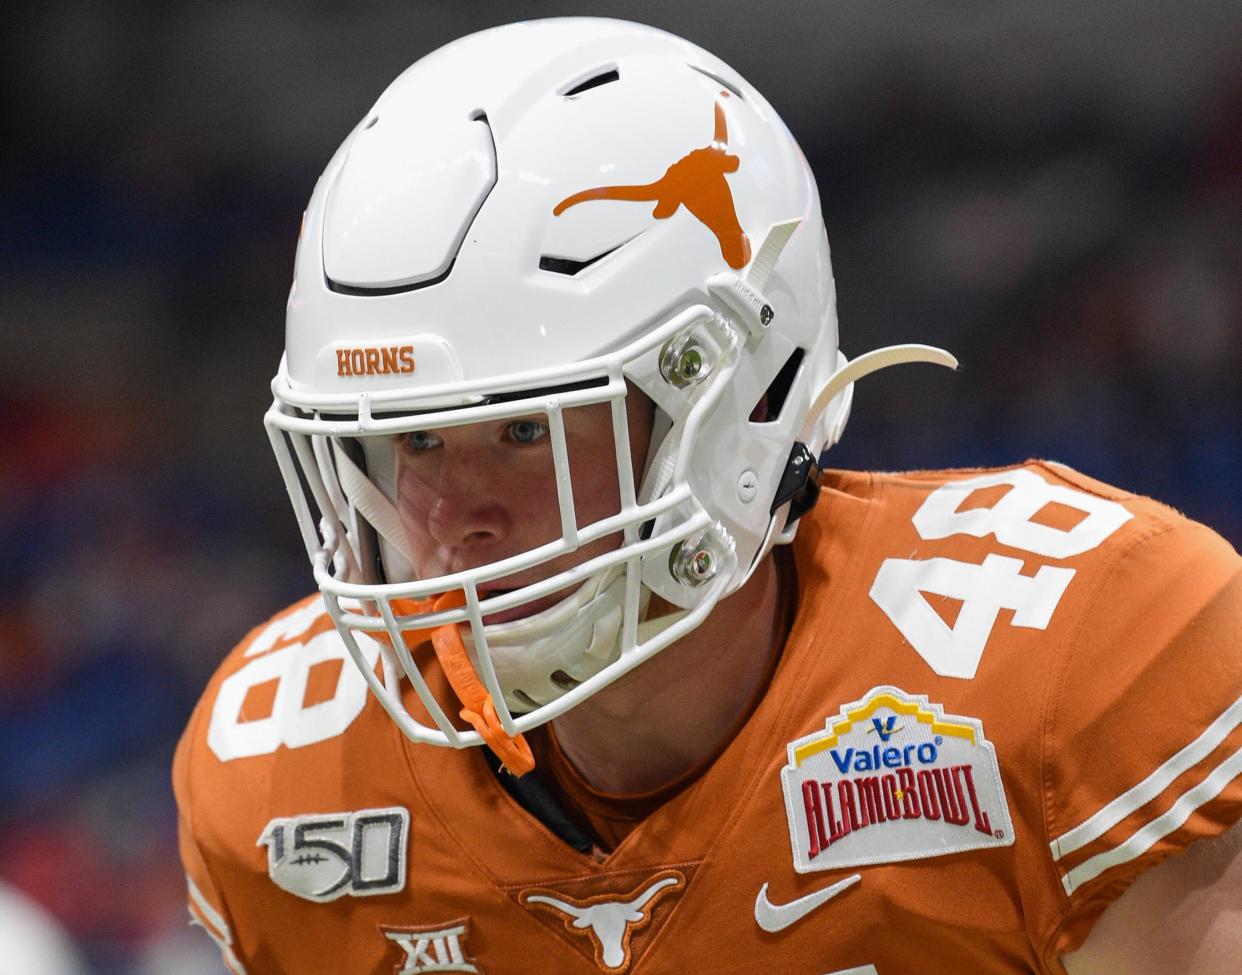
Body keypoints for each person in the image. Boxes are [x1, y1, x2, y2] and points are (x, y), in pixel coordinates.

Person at [173, 17, 1242, 975]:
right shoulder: (284, 782)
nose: (448, 520)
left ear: (735, 398)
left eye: (516, 433)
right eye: (409, 445)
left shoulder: (1073, 664)